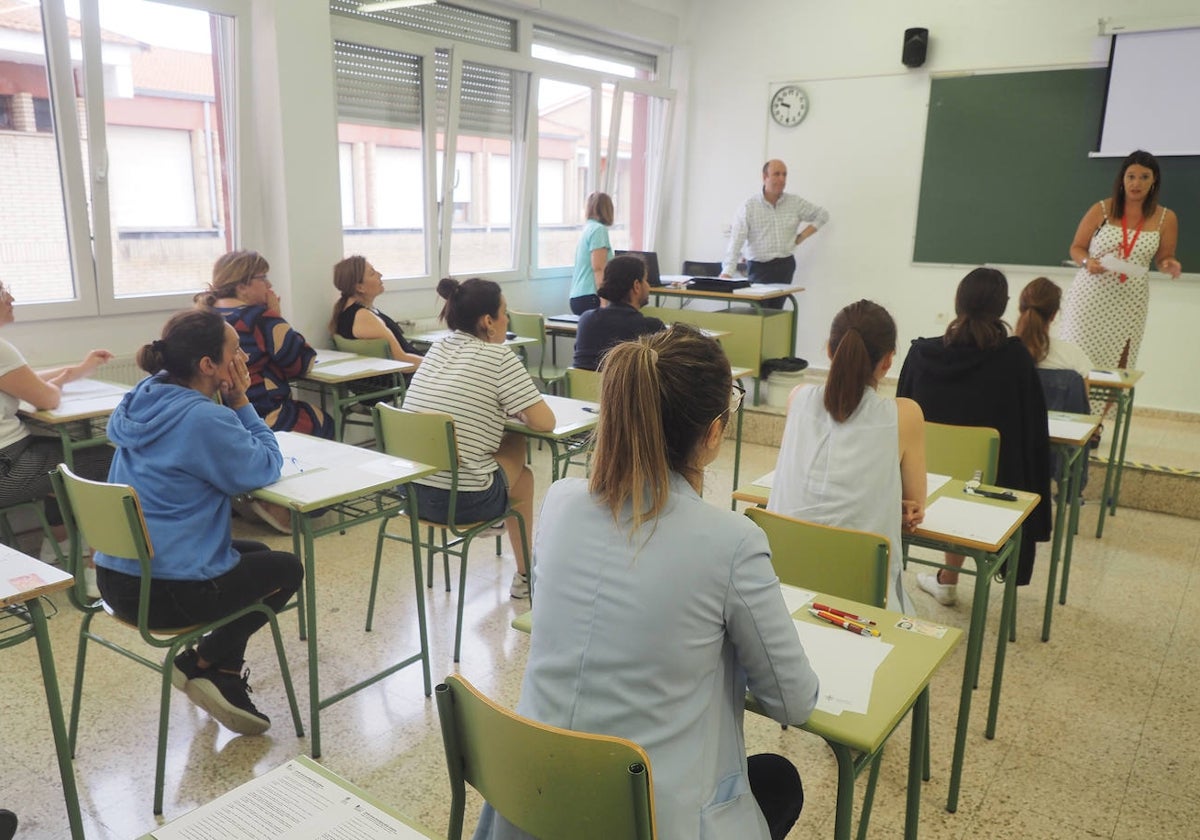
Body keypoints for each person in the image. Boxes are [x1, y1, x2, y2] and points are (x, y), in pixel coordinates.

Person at [474, 325, 819, 840]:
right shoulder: (731, 541)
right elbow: (792, 703)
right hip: (643, 820)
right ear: (713, 433)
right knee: (777, 779)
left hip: (533, 803)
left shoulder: (562, 502)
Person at [94, 309, 303, 736]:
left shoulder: (142, 396)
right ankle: (201, 662)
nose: (243, 356)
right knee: (286, 569)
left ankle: (221, 673)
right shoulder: (204, 418)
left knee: (257, 555)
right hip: (166, 592)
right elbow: (265, 465)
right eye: (235, 350)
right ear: (209, 366)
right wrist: (242, 400)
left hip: (118, 575)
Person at [897, 268, 1051, 603]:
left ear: (957, 302)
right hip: (990, 491)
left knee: (954, 469)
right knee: (975, 471)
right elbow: (1032, 438)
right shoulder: (1015, 361)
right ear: (1004, 306)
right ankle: (948, 577)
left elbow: (900, 421)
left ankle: (947, 577)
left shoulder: (922, 356)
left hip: (922, 488)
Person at [768, 300, 926, 614]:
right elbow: (916, 504)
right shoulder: (904, 415)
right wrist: (899, 502)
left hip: (780, 583)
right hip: (861, 596)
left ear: (828, 350)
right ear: (888, 362)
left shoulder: (797, 397)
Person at [402, 277, 555, 599]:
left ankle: (500, 519)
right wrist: (514, 411)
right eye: (504, 312)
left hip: (411, 494)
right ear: (488, 321)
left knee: (493, 444)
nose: (507, 319)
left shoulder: (436, 349)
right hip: (462, 501)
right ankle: (526, 576)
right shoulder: (500, 359)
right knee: (521, 464)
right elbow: (544, 422)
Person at [0, 279, 114, 586]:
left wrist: (75, 371)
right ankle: (97, 572)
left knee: (62, 457)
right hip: (7, 468)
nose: (11, 296)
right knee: (105, 460)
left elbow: (23, 380)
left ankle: (58, 548)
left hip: (9, 459)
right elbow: (46, 398)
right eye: (2, 290)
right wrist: (59, 384)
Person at [1061, 149, 1182, 414]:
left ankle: (1098, 426)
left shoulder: (1165, 218)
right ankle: (1074, 418)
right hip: (1091, 298)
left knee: (1117, 364)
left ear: (1154, 181)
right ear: (1122, 179)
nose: (1136, 183)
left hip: (1129, 301)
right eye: (1130, 176)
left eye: (1144, 177)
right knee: (1080, 360)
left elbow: (1164, 257)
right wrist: (1086, 262)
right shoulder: (1101, 209)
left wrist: (1168, 264)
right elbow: (1077, 248)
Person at [199, 250, 333, 440]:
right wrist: (277, 316)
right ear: (243, 286)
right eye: (263, 278)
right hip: (260, 413)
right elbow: (303, 361)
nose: (269, 285)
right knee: (322, 421)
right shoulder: (259, 318)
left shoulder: (204, 316)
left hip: (218, 416)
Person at [721, 159, 829, 309]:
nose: (782, 179)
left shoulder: (794, 203)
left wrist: (801, 237)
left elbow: (822, 215)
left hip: (785, 266)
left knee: (776, 314)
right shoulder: (749, 206)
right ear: (764, 177)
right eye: (776, 174)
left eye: (785, 175)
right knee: (759, 314)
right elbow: (736, 241)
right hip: (759, 269)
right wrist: (727, 272)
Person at [571, 254, 665, 370]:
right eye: (645, 280)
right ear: (636, 286)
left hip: (582, 387)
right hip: (623, 388)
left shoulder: (586, 319)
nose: (648, 285)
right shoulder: (652, 328)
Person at [330, 255, 424, 369]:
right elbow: (401, 360)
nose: (380, 275)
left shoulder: (354, 311)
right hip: (414, 376)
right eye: (372, 273)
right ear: (360, 287)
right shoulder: (363, 316)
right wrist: (441, 367)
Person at [1015, 277, 1092, 379]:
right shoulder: (1073, 356)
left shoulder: (998, 352)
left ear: (1020, 309)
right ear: (1054, 314)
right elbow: (1087, 392)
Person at [569, 192, 614, 315]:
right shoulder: (599, 230)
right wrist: (604, 301)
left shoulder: (587, 228)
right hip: (591, 296)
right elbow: (598, 268)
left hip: (578, 295)